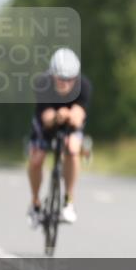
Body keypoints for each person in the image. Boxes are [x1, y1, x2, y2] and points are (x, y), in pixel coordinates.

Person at [28, 48, 91, 226]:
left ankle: (69, 200)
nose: (65, 83)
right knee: (36, 159)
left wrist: (71, 116)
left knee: (72, 148)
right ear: (52, 75)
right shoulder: (42, 83)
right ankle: (35, 202)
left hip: (70, 125)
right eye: (60, 78)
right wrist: (57, 116)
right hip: (45, 124)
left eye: (69, 79)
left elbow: (79, 118)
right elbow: (47, 119)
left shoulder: (84, 86)